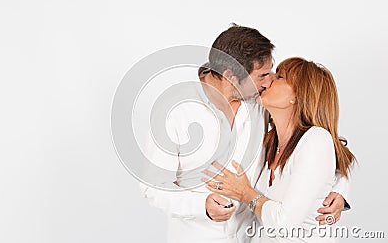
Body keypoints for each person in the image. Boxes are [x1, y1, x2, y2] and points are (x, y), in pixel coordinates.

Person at [140, 25, 350, 243]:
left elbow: (315, 139)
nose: (268, 81)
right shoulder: (174, 112)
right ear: (231, 77)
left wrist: (340, 189)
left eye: (272, 73)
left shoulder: (259, 103)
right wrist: (202, 206)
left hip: (250, 236)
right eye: (262, 75)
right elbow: (152, 186)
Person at [204, 57, 356, 242]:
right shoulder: (269, 141)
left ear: (298, 95)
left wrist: (245, 193)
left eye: (280, 77)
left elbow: (283, 224)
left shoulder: (316, 139)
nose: (268, 80)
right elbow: (207, 71)